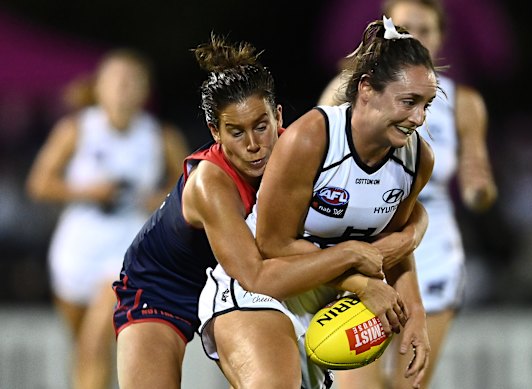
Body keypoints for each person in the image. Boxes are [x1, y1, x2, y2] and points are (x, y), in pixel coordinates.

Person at [113, 34, 401, 389]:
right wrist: (356, 266)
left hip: (243, 279)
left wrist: (415, 229)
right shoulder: (211, 186)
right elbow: (258, 274)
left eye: (261, 126)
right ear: (214, 132)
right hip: (164, 286)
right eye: (236, 132)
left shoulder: (302, 152)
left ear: (278, 115)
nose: (253, 145)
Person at [199, 17, 437, 389]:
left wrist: (416, 314)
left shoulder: (417, 158)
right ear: (367, 91)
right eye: (408, 102)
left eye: (427, 104)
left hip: (327, 305)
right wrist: (358, 276)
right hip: (261, 290)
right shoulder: (311, 138)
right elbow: (273, 245)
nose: (419, 118)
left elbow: (392, 243)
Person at [319, 1, 498, 388]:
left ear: (440, 38)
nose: (414, 37)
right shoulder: (351, 90)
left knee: (408, 385)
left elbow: (477, 187)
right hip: (363, 251)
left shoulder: (462, 102)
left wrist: (479, 189)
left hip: (431, 255)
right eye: (403, 27)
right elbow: (316, 161)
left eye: (425, 29)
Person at [25, 48, 189, 389]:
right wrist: (89, 192)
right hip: (76, 249)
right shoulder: (76, 129)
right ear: (99, 87)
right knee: (84, 350)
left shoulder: (161, 137)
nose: (124, 88)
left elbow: (190, 190)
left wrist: (159, 198)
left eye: (133, 81)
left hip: (126, 250)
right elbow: (39, 184)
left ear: (146, 91)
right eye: (116, 80)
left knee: (94, 342)